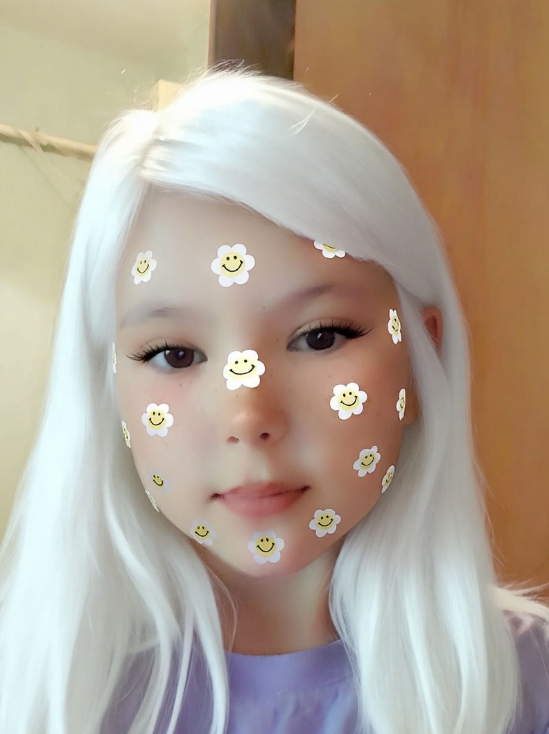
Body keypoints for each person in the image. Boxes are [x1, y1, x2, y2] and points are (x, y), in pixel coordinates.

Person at [0, 69, 547, 734]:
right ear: (109, 388)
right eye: (174, 354)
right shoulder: (40, 688)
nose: (248, 418)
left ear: (420, 362)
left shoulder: (528, 680)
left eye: (320, 337)